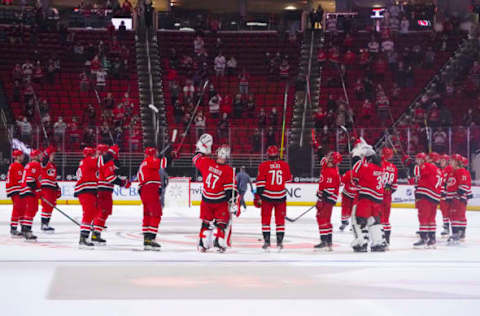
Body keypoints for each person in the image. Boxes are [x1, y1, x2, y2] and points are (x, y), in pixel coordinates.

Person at [192, 134, 238, 253]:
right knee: (221, 223)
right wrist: (233, 202)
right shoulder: (228, 170)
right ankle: (219, 242)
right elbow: (230, 192)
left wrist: (200, 147)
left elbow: (195, 158)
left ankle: (203, 243)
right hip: (219, 201)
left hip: (206, 200)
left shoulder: (207, 162)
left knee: (206, 223)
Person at [254, 145, 292, 251]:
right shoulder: (284, 165)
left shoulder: (263, 165)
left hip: (267, 197)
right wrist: (281, 165)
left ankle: (267, 242)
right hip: (280, 197)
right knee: (280, 221)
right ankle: (279, 243)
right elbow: (289, 179)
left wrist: (258, 197)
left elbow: (260, 185)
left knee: (266, 220)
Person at [350, 140, 385, 252]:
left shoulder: (367, 168)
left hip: (366, 199)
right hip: (377, 200)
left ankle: (362, 242)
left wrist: (356, 155)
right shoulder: (380, 168)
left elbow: (355, 170)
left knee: (359, 220)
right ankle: (378, 243)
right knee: (374, 221)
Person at [93, 144, 130, 245]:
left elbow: (116, 166)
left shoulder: (98, 160)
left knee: (101, 211)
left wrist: (115, 156)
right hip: (103, 189)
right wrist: (123, 183)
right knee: (103, 211)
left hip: (99, 189)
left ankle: (95, 228)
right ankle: (96, 232)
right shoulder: (103, 160)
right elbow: (111, 176)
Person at [137, 147, 169, 251]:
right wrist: (166, 157)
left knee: (147, 215)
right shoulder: (150, 160)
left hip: (144, 190)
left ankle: (146, 239)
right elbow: (163, 164)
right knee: (156, 214)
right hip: (150, 189)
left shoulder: (144, 162)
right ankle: (151, 239)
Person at [412, 152, 442, 248]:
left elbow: (419, 176)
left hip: (426, 194)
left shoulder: (427, 166)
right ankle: (432, 239)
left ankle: (423, 238)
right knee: (431, 218)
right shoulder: (438, 170)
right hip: (435, 196)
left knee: (423, 216)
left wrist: (411, 166)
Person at [314, 152, 342, 251]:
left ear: (334, 161)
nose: (328, 159)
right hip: (326, 198)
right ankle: (328, 241)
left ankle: (324, 241)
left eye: (330, 158)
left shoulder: (332, 172)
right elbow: (322, 159)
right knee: (324, 219)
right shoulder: (326, 166)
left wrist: (321, 196)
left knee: (322, 218)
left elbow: (329, 190)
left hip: (328, 199)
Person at [74, 147, 100, 248]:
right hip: (86, 190)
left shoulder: (85, 161)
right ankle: (83, 238)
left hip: (87, 190)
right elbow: (100, 162)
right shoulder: (88, 160)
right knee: (89, 213)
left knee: (92, 212)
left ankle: (85, 235)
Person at [446, 154, 472, 244]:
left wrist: (458, 195)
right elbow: (451, 185)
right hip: (453, 197)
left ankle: (456, 233)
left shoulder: (461, 171)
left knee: (456, 215)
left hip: (457, 198)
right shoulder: (453, 171)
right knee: (456, 215)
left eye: (452, 160)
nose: (450, 162)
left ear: (457, 162)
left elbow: (464, 184)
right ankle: (460, 233)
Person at [19, 149, 42, 240]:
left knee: (32, 209)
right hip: (29, 190)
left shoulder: (30, 164)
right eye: (39, 155)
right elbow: (30, 180)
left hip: (28, 190)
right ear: (35, 156)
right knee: (31, 209)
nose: (41, 156)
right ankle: (26, 230)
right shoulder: (34, 164)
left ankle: (25, 228)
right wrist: (37, 190)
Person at [39, 146, 60, 233]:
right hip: (45, 188)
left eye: (54, 155)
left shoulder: (53, 165)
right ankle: (43, 224)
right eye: (52, 154)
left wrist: (57, 188)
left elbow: (53, 179)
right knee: (46, 206)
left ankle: (47, 223)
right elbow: (43, 158)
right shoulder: (45, 163)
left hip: (52, 189)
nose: (53, 156)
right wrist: (48, 151)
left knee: (51, 206)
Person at [380, 147, 398, 247]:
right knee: (386, 219)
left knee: (379, 218)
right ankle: (387, 240)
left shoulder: (380, 164)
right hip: (388, 195)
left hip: (379, 194)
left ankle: (380, 239)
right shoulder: (394, 167)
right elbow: (394, 186)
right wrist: (389, 190)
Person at [6, 150, 25, 237]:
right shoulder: (17, 166)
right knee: (17, 208)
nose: (23, 157)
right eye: (21, 155)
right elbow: (20, 179)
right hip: (16, 189)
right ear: (17, 157)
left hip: (14, 189)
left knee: (21, 208)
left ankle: (22, 226)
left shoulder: (14, 165)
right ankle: (13, 228)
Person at [438, 154, 453, 236]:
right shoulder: (441, 170)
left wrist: (446, 190)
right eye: (441, 160)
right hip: (442, 194)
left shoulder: (449, 169)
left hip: (447, 194)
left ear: (447, 162)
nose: (441, 162)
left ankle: (452, 228)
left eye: (443, 160)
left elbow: (449, 181)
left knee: (448, 211)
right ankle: (446, 227)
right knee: (444, 211)